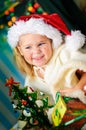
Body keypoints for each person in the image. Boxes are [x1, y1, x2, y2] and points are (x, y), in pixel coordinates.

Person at [7, 13, 86, 105]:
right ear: (20, 50)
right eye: (28, 47)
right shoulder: (32, 80)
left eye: (41, 44)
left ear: (51, 41)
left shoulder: (65, 54)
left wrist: (78, 89)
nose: (36, 52)